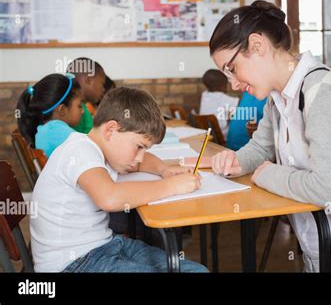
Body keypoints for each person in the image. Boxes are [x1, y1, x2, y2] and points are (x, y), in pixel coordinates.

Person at [208, 0, 331, 272]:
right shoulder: (277, 98)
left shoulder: (322, 90)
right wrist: (236, 161)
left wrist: (268, 174)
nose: (233, 83)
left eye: (231, 68)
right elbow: (261, 148)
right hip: (319, 253)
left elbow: (327, 188)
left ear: (257, 45)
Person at [30, 86, 207, 273]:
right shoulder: (80, 150)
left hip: (104, 247)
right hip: (73, 264)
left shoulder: (101, 151)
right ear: (111, 130)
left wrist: (164, 170)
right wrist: (171, 186)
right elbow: (110, 197)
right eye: (139, 147)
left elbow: (140, 163)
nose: (140, 157)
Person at [16, 73, 82, 157]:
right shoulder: (58, 133)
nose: (82, 111)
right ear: (62, 109)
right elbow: (90, 150)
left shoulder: (46, 130)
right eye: (79, 106)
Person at [199, 69, 239, 139]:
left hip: (207, 135)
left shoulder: (204, 96)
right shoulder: (231, 101)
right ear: (223, 85)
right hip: (223, 137)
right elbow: (235, 119)